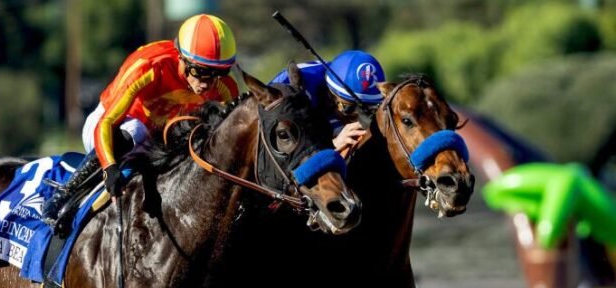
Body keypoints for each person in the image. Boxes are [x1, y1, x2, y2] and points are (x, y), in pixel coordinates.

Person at [42, 13, 240, 231]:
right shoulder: (149, 67)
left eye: (217, 73)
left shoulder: (225, 88)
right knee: (137, 130)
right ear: (182, 57)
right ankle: (62, 195)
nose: (207, 83)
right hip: (110, 130)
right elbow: (105, 124)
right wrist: (109, 168)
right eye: (200, 72)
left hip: (156, 143)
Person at [270, 50, 385, 156]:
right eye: (349, 109)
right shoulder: (295, 94)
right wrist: (333, 144)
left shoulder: (337, 80)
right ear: (330, 96)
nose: (357, 117)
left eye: (367, 109)